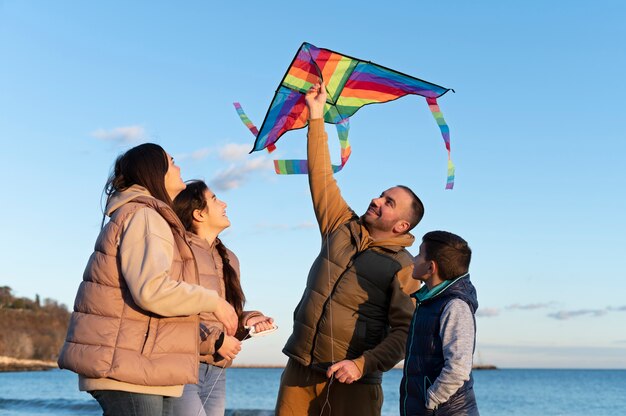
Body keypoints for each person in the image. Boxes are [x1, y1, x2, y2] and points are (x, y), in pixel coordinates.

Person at [275, 82, 424, 416]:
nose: (376, 200)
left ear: (401, 225)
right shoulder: (339, 226)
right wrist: (316, 115)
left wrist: (361, 364)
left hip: (353, 383)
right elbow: (321, 175)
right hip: (300, 369)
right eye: (381, 194)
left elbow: (405, 333)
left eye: (388, 202)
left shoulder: (404, 266)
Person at [57, 143, 239, 416]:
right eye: (173, 162)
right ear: (156, 171)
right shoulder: (145, 215)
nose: (179, 168)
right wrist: (213, 302)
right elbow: (151, 290)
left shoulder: (147, 215)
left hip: (140, 366)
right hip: (127, 367)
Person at [171, 180, 274, 416]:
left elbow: (227, 315)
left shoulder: (229, 258)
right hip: (181, 367)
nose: (224, 203)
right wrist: (216, 341)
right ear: (198, 214)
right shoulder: (177, 250)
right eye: (215, 199)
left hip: (217, 370)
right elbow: (169, 311)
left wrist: (249, 322)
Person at [400, 231, 479, 416]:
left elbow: (458, 368)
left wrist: (431, 401)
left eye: (419, 254)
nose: (414, 259)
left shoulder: (455, 306)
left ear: (430, 267)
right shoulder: (428, 302)